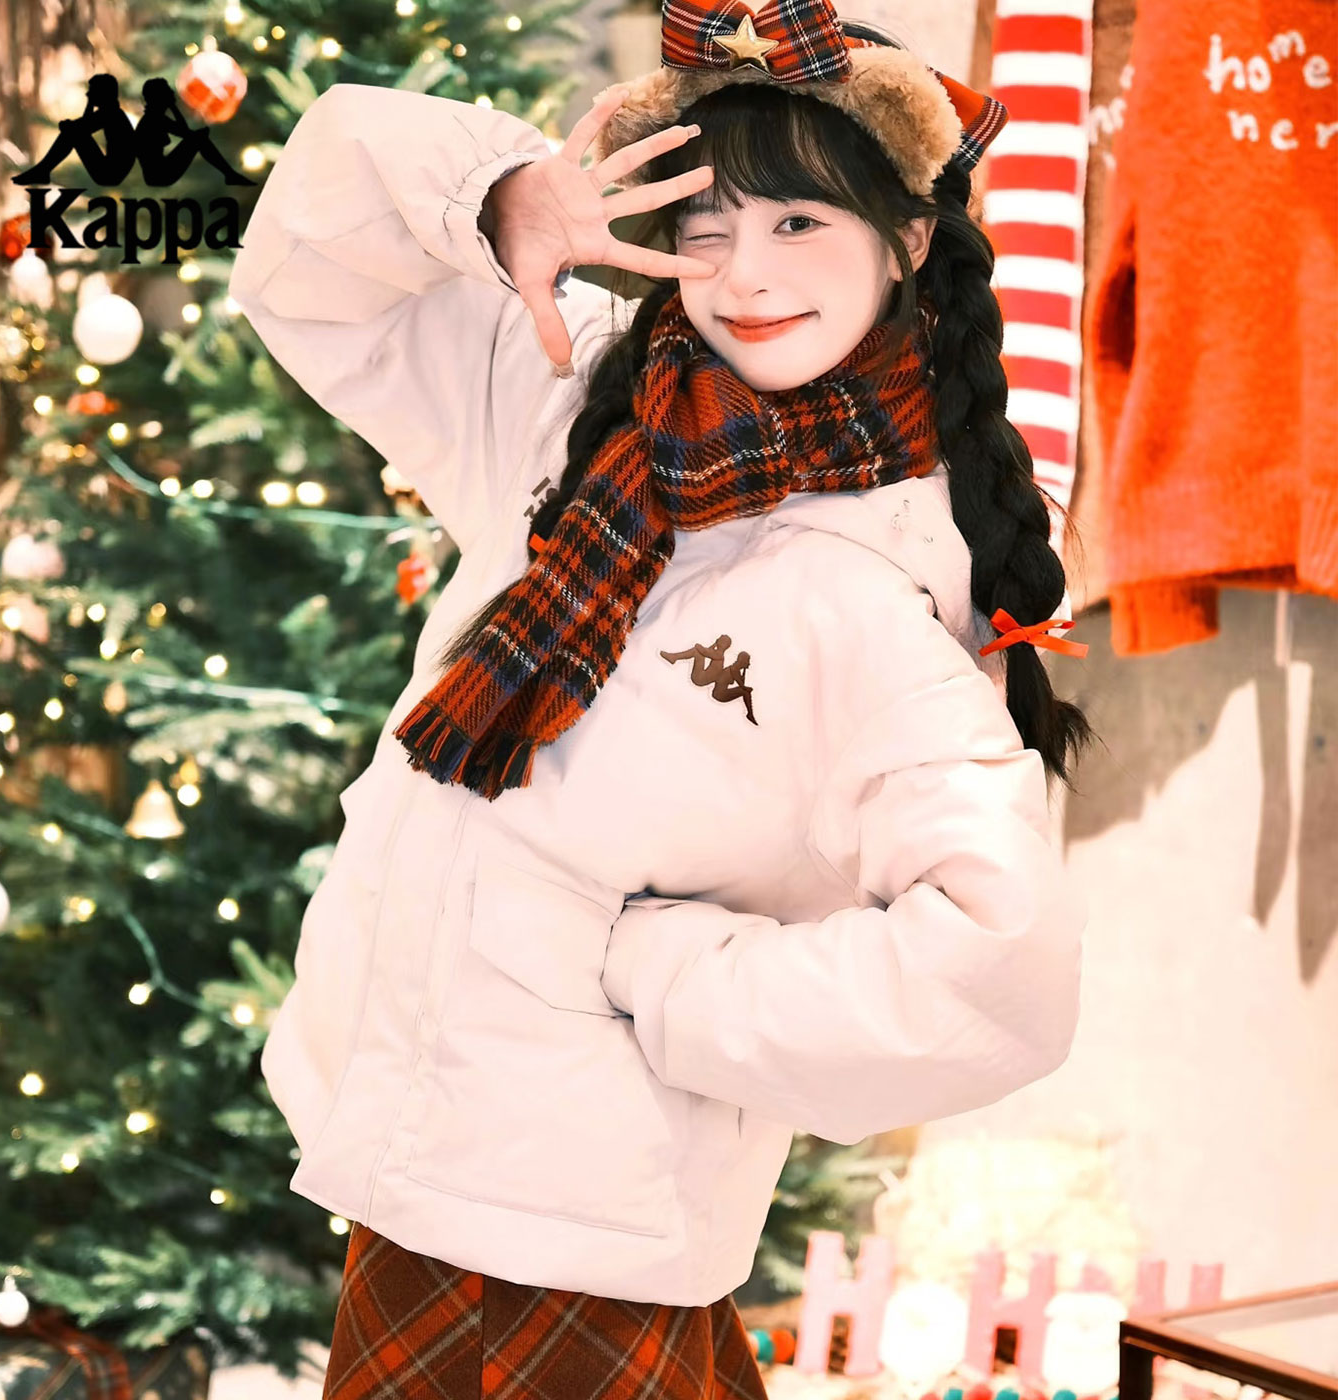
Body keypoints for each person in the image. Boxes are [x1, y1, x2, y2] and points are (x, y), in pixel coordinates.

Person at [227, 1, 1097, 1394]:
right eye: (709, 222)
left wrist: (664, 977)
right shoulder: (577, 399)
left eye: (799, 223)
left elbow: (1000, 980)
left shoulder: (876, 590)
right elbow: (306, 261)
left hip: (586, 1231)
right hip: (411, 1161)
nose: (744, 273)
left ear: (907, 239)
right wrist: (500, 196)